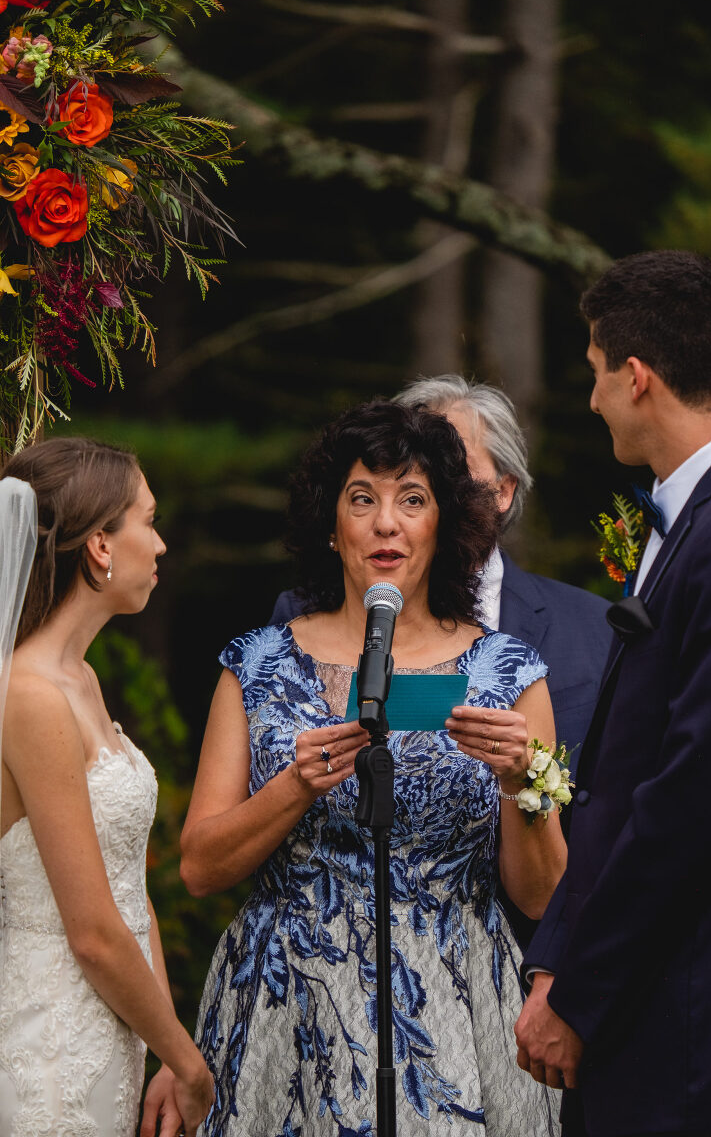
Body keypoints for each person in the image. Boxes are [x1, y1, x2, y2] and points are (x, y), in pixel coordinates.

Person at [182, 400, 566, 1136]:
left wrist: (522, 786)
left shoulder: (509, 673)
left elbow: (543, 896)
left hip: (453, 1006)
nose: (387, 523)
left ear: (444, 524)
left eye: (412, 500)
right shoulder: (256, 666)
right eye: (362, 499)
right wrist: (294, 787)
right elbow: (199, 868)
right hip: (289, 1004)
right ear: (331, 525)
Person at [514, 250, 711, 1137]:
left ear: (637, 376)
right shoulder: (694, 510)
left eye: (595, 374)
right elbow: (614, 779)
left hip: (684, 1000)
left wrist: (582, 993)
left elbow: (692, 796)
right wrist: (555, 959)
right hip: (641, 987)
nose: (591, 401)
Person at [0, 439, 214, 1137]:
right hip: (52, 1044)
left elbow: (128, 889)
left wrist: (162, 1042)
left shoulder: (82, 680)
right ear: (99, 545)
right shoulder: (30, 697)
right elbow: (92, 932)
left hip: (113, 1032)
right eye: (148, 521)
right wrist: (191, 1065)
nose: (160, 544)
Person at [272, 375, 611, 767]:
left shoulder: (593, 628)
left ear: (503, 491)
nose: (443, 487)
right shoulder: (294, 622)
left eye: (453, 470)